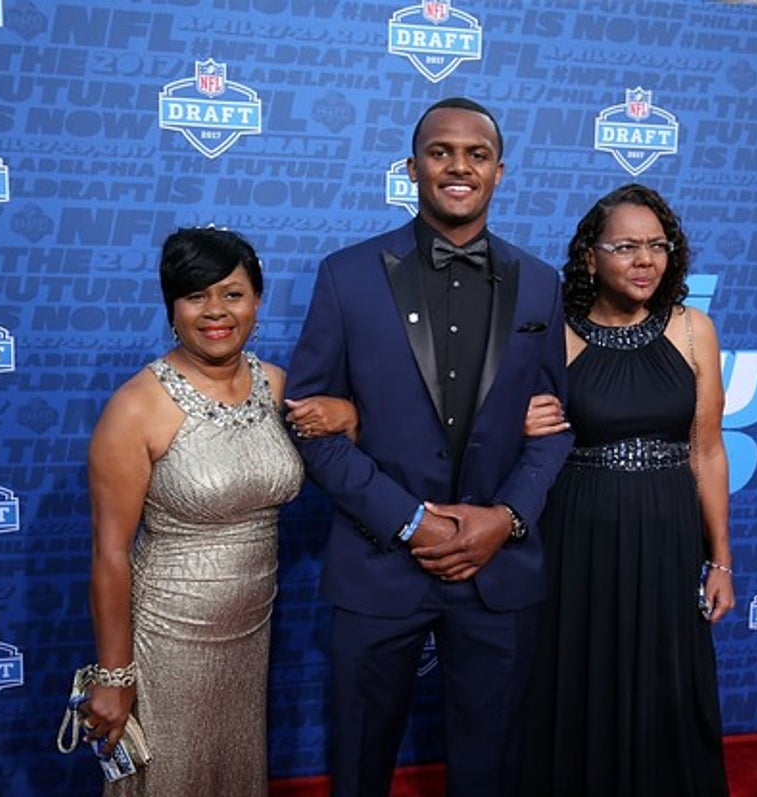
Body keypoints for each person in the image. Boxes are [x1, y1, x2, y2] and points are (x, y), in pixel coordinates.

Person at [284, 97, 574, 797]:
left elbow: (554, 426)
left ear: (499, 172)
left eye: (476, 154)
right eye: (441, 151)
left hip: (498, 569)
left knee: (490, 767)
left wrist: (503, 519)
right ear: (411, 167)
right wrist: (412, 521)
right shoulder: (345, 275)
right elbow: (312, 427)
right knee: (359, 763)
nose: (458, 166)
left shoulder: (540, 282)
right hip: (380, 561)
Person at [83, 227, 353, 795]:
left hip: (251, 635)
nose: (215, 311)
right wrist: (114, 676)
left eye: (232, 294)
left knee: (233, 771)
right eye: (195, 295)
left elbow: (349, 443)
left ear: (257, 300)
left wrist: (348, 414)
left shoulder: (278, 386)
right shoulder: (135, 409)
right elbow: (110, 553)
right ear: (171, 308)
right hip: (167, 643)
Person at [518, 184, 735, 796]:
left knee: (665, 677)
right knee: (580, 674)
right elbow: (513, 438)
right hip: (578, 532)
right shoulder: (553, 336)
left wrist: (720, 558)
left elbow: (709, 450)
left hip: (668, 530)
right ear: (590, 257)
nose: (645, 260)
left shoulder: (695, 331)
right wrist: (520, 423)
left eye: (658, 246)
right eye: (626, 247)